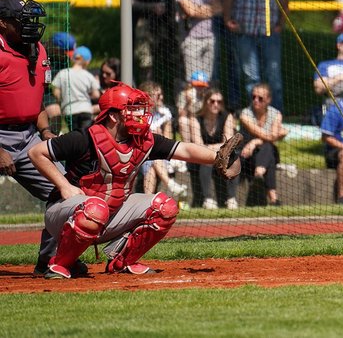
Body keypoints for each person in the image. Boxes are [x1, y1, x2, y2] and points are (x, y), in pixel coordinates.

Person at [28, 82, 241, 279]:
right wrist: (64, 186)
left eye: (140, 108)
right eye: (132, 109)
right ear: (113, 116)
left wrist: (217, 159)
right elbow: (36, 153)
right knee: (95, 208)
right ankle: (61, 264)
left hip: (109, 214)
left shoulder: (143, 141)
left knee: (165, 207)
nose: (140, 114)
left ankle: (122, 261)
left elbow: (183, 149)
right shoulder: (84, 138)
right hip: (66, 214)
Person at [0, 0, 68, 275]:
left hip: (29, 136)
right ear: (3, 24)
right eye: (23, 20)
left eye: (33, 20)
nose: (31, 26)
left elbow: (36, 98)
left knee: (65, 191)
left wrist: (46, 131)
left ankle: (51, 260)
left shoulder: (38, 50)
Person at [224, 0, 289, 112]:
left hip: (269, 33)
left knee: (273, 75)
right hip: (245, 33)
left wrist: (280, 24)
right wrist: (227, 19)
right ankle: (256, 114)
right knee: (251, 76)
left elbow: (284, 1)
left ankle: (276, 114)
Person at [205, 0, 245, 112]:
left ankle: (234, 104)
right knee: (214, 61)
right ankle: (214, 103)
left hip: (233, 16)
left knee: (234, 61)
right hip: (213, 16)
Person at [132, 0, 176, 101]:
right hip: (145, 25)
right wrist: (151, 7)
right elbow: (129, 2)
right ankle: (145, 98)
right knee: (146, 63)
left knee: (169, 62)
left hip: (166, 26)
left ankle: (166, 98)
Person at [186, 88, 240, 209]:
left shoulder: (227, 117)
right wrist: (214, 148)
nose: (216, 104)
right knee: (207, 159)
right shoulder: (195, 119)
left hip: (223, 155)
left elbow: (229, 142)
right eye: (212, 101)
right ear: (206, 102)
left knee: (234, 158)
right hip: (200, 155)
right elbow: (198, 145)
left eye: (219, 102)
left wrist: (211, 147)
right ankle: (208, 199)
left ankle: (231, 199)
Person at [174, 0, 220, 83]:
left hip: (209, 38)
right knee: (194, 80)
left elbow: (219, 7)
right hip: (191, 39)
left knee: (207, 81)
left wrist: (199, 9)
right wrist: (206, 9)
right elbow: (190, 11)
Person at [239, 83, 287, 206]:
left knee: (267, 148)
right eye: (253, 97)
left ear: (268, 100)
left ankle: (259, 175)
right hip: (247, 156)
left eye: (260, 98)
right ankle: (274, 199)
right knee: (269, 150)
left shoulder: (276, 114)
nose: (256, 100)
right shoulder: (245, 114)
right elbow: (270, 136)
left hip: (262, 153)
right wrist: (279, 133)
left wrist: (255, 142)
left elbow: (269, 138)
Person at [138, 81, 186, 200]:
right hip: (140, 152)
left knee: (153, 161)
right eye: (158, 95)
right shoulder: (139, 113)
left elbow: (167, 140)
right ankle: (170, 185)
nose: (162, 98)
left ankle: (147, 202)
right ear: (147, 96)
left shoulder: (164, 113)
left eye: (161, 94)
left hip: (157, 153)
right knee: (151, 160)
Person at [50, 46, 100, 132]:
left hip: (69, 110)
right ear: (87, 61)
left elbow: (56, 93)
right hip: (85, 109)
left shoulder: (63, 73)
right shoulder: (88, 75)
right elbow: (96, 95)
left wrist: (62, 99)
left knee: (74, 134)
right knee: (85, 134)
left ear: (73, 58)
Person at [44, 32, 76, 133]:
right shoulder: (38, 50)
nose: (67, 56)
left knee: (56, 115)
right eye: (64, 52)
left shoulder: (63, 61)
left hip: (47, 91)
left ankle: (52, 140)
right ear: (56, 48)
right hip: (30, 88)